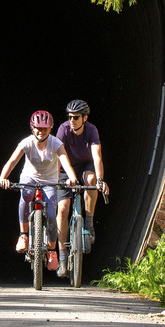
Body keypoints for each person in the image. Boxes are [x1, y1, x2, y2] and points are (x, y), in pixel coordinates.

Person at [0, 110, 72, 274]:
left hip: (49, 181)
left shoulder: (56, 143)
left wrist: (72, 178)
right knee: (26, 194)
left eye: (44, 129)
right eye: (37, 128)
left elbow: (65, 161)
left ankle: (52, 251)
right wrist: (3, 177)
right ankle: (24, 235)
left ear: (50, 128)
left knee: (52, 214)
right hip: (29, 177)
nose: (40, 131)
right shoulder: (27, 142)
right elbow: (12, 161)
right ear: (32, 127)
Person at [53, 99, 108, 239]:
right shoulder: (63, 129)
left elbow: (97, 157)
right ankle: (63, 256)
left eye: (76, 117)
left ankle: (89, 222)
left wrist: (100, 180)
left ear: (85, 118)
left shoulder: (91, 130)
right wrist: (55, 179)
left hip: (85, 166)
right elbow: (58, 156)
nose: (72, 120)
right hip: (66, 169)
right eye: (70, 117)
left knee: (91, 179)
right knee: (63, 209)